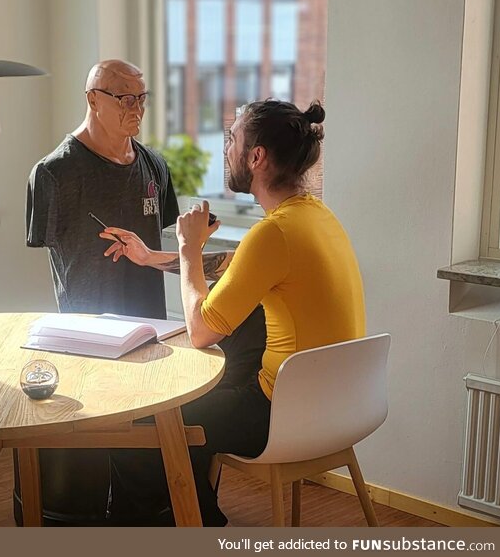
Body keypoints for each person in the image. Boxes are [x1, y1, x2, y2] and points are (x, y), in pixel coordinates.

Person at [100, 99, 366, 526]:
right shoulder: (315, 217)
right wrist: (152, 257)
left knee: (144, 425)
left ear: (256, 157)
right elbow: (235, 266)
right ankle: (184, 517)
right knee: (198, 402)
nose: (227, 149)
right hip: (338, 407)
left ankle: (189, 526)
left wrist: (189, 247)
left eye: (232, 139)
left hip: (281, 413)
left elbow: (203, 330)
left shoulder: (274, 231)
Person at [22, 59, 180, 526]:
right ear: (93, 98)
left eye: (141, 97)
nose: (136, 107)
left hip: (149, 328)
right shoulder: (54, 174)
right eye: (124, 96)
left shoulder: (154, 164)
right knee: (89, 452)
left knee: (143, 447)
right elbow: (51, 252)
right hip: (86, 336)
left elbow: (162, 243)